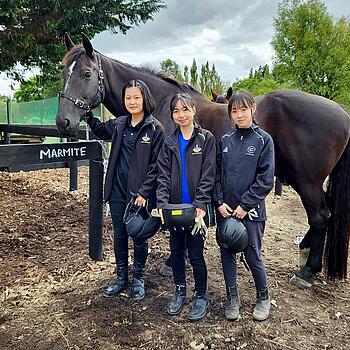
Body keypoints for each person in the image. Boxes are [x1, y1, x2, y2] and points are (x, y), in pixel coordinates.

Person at [86, 79, 165, 300]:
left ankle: (138, 278)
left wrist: (144, 193)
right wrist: (87, 116)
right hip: (117, 192)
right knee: (119, 235)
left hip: (140, 196)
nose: (132, 102)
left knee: (139, 236)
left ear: (144, 99)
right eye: (128, 98)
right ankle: (121, 277)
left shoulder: (154, 128)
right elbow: (101, 130)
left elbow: (157, 165)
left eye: (136, 97)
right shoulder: (119, 124)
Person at [213, 90, 275, 321]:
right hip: (226, 211)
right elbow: (216, 174)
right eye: (235, 111)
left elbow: (265, 179)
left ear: (253, 109)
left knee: (252, 254)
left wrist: (245, 205)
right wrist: (219, 203)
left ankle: (263, 296)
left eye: (243, 110)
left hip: (251, 212)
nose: (239, 115)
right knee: (227, 252)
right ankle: (232, 297)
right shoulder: (225, 141)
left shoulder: (263, 141)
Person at [157, 93, 216, 321]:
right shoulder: (169, 142)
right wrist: (162, 204)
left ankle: (201, 296)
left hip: (195, 211)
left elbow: (209, 173)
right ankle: (180, 292)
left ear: (193, 110)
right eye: (176, 111)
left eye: (185, 110)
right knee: (176, 252)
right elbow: (163, 176)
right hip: (174, 209)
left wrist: (201, 203)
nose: (181, 115)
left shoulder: (206, 139)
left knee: (197, 255)